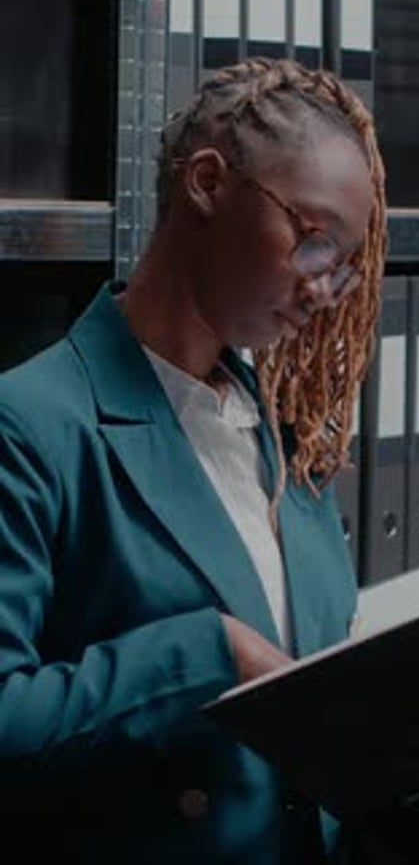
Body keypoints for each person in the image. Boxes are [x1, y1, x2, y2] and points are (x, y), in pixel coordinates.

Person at [0, 58, 386, 863]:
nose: (324, 292)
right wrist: (205, 656)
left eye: (344, 268)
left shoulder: (284, 437)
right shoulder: (30, 423)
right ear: (207, 183)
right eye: (315, 243)